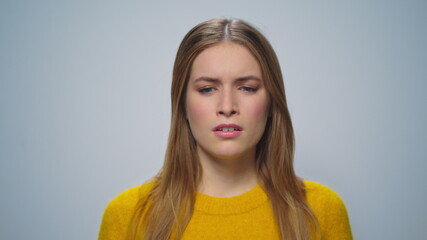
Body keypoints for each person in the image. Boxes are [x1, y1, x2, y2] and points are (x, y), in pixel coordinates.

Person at [98, 18, 353, 240]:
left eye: (247, 88)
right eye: (207, 89)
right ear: (182, 105)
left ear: (272, 103)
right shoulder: (127, 215)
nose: (227, 106)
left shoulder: (322, 210)